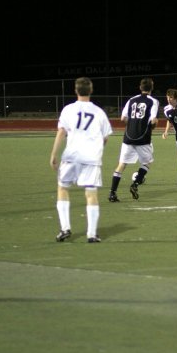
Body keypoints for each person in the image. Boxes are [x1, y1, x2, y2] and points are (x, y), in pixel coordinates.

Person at [50, 77, 113, 243]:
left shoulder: (68, 109)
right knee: (91, 194)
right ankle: (91, 234)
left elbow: (61, 133)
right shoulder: (99, 112)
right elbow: (105, 137)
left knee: (63, 189)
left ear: (76, 90)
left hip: (71, 156)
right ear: (91, 90)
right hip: (91, 158)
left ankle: (65, 229)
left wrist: (54, 154)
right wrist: (97, 149)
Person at [109, 77, 159, 201]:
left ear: (140, 87)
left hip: (128, 137)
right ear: (151, 88)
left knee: (121, 165)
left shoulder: (131, 100)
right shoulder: (153, 101)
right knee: (147, 163)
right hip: (143, 138)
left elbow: (123, 118)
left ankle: (112, 193)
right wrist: (153, 125)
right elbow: (153, 120)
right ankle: (135, 184)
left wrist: (132, 125)